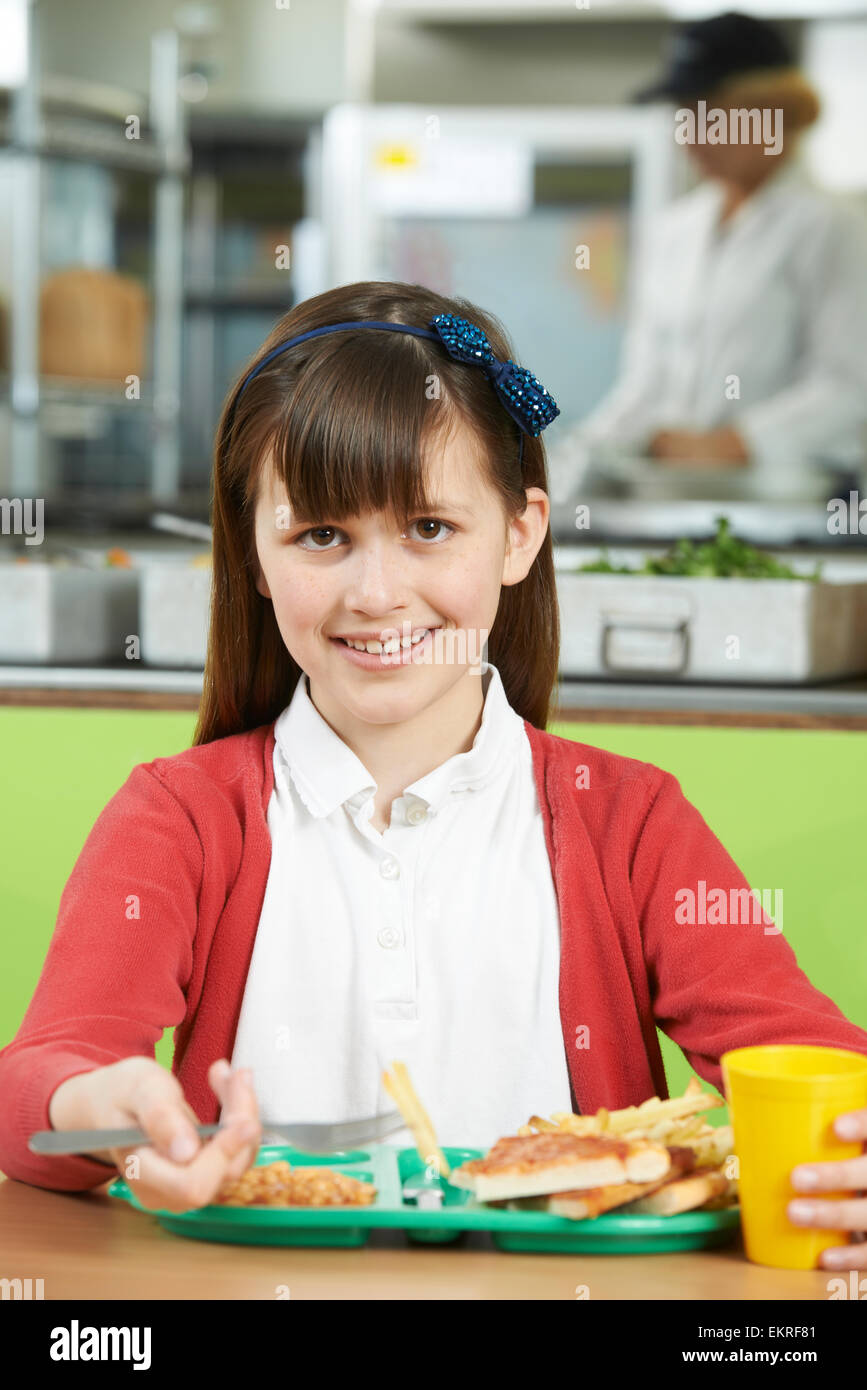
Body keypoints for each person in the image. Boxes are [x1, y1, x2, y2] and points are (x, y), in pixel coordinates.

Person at [1, 281, 866, 1269]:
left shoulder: (633, 822)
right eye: (321, 535)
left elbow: (809, 1056)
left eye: (428, 528)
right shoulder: (178, 816)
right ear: (252, 547)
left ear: (521, 532)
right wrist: (102, 1105)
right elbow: (39, 1081)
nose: (376, 594)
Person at [550, 11, 867, 503]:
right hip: (665, 502)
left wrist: (735, 442)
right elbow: (644, 389)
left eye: (707, 113)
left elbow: (848, 385)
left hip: (789, 504)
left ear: (771, 113)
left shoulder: (834, 227)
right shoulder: (675, 232)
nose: (689, 136)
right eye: (684, 114)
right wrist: (557, 470)